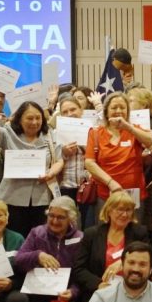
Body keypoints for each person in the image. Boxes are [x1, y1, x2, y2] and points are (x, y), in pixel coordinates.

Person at [0, 93, 64, 238]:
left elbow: (59, 160)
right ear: (20, 120)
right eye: (29, 118)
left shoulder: (50, 135)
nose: (34, 122)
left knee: (39, 238)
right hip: (11, 198)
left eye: (38, 118)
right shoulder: (8, 133)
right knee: (14, 238)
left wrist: (50, 173)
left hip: (42, 198)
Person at [84, 91, 152, 220]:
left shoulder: (134, 129)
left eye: (122, 107)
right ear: (106, 111)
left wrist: (129, 127)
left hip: (133, 195)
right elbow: (89, 163)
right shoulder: (95, 133)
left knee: (134, 233)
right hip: (106, 194)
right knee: (106, 233)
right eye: (114, 107)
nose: (118, 111)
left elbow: (151, 142)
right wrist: (110, 182)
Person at [73, 190, 149, 302]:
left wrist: (124, 261)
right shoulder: (92, 234)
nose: (124, 214)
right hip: (99, 293)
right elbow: (79, 269)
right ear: (109, 210)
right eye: (120, 209)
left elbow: (149, 262)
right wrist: (99, 284)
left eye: (128, 210)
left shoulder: (140, 233)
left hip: (132, 292)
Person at [52, 95, 93, 226]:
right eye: (65, 112)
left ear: (81, 110)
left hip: (87, 186)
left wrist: (86, 147)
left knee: (88, 223)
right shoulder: (55, 132)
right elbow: (52, 159)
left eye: (73, 109)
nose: (70, 114)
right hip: (65, 185)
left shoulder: (93, 130)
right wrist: (63, 153)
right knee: (67, 225)